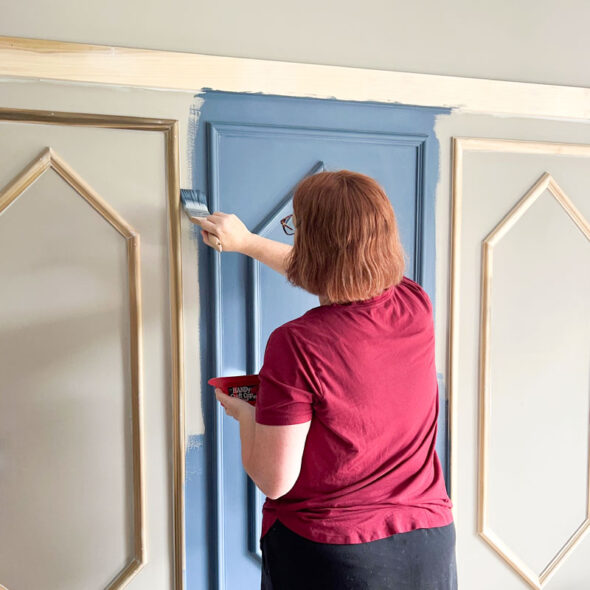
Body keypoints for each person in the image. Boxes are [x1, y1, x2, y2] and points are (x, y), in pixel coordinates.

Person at [192, 170, 457, 590]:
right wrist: (246, 243)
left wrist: (246, 413)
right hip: (427, 543)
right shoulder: (414, 302)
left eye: (295, 228)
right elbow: (342, 269)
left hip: (336, 555)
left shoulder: (297, 343)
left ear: (313, 246)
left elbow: (274, 481)